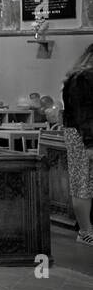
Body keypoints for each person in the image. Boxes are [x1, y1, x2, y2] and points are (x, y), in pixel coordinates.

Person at [60, 44, 93, 245]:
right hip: (83, 135)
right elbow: (85, 113)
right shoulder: (83, 79)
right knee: (83, 183)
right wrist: (89, 143)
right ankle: (85, 232)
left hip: (85, 134)